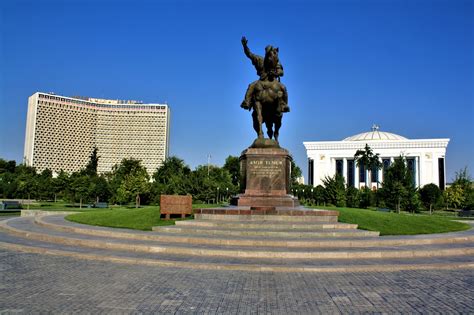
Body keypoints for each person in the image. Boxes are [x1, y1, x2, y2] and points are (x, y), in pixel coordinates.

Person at [241, 36, 289, 113]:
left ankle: (284, 105)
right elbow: (249, 54)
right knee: (251, 86)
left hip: (273, 80)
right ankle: (247, 102)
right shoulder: (259, 60)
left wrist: (276, 73)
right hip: (262, 81)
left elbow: (281, 72)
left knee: (283, 88)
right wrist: (245, 46)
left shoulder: (275, 61)